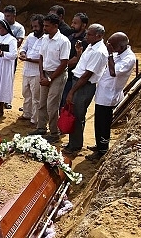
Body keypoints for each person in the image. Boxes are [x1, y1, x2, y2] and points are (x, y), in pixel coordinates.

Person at [88, 32, 136, 161]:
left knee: (103, 123)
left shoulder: (129, 58)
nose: (109, 47)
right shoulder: (118, 53)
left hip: (109, 96)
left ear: (120, 47)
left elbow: (113, 72)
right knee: (98, 123)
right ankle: (99, 145)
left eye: (112, 46)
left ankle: (102, 151)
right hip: (103, 93)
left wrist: (109, 54)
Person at [63, 24, 108, 155]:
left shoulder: (99, 51)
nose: (86, 36)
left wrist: (71, 92)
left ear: (99, 36)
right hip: (80, 83)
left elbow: (87, 75)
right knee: (75, 113)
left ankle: (75, 146)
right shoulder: (92, 46)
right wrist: (79, 53)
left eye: (89, 34)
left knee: (77, 115)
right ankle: (73, 142)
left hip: (83, 86)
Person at [29, 13, 70, 144]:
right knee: (42, 103)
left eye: (47, 26)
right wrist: (41, 75)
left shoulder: (63, 41)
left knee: (52, 105)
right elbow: (41, 57)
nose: (44, 28)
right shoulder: (45, 39)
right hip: (45, 73)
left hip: (57, 75)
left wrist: (50, 79)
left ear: (56, 26)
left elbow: (64, 63)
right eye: (44, 25)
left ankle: (54, 133)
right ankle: (41, 128)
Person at [19, 14, 45, 126]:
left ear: (42, 26)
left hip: (37, 73)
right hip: (26, 71)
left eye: (36, 26)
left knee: (36, 97)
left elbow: (43, 59)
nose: (34, 29)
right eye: (33, 26)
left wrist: (28, 59)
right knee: (26, 93)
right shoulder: (30, 36)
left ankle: (35, 119)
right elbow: (23, 48)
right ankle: (27, 114)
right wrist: (23, 53)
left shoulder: (46, 40)